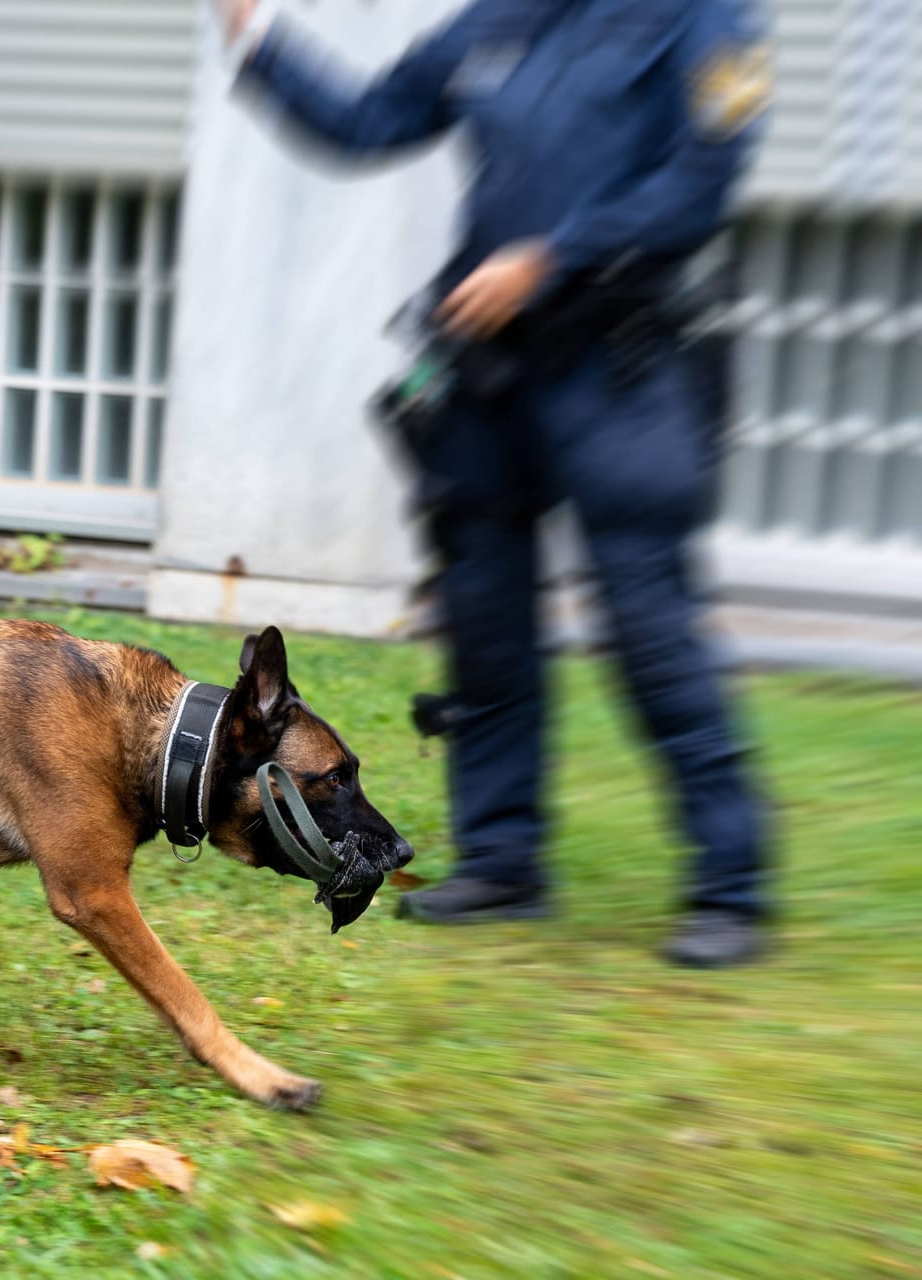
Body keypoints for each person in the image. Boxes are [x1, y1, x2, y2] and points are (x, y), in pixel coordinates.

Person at [215, 0, 775, 966]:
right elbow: (372, 118)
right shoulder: (507, 15)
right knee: (485, 620)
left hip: (617, 367)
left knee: (650, 625)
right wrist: (260, 36)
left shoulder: (712, 18)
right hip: (486, 373)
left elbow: (701, 182)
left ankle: (732, 883)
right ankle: (504, 860)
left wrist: (553, 258)